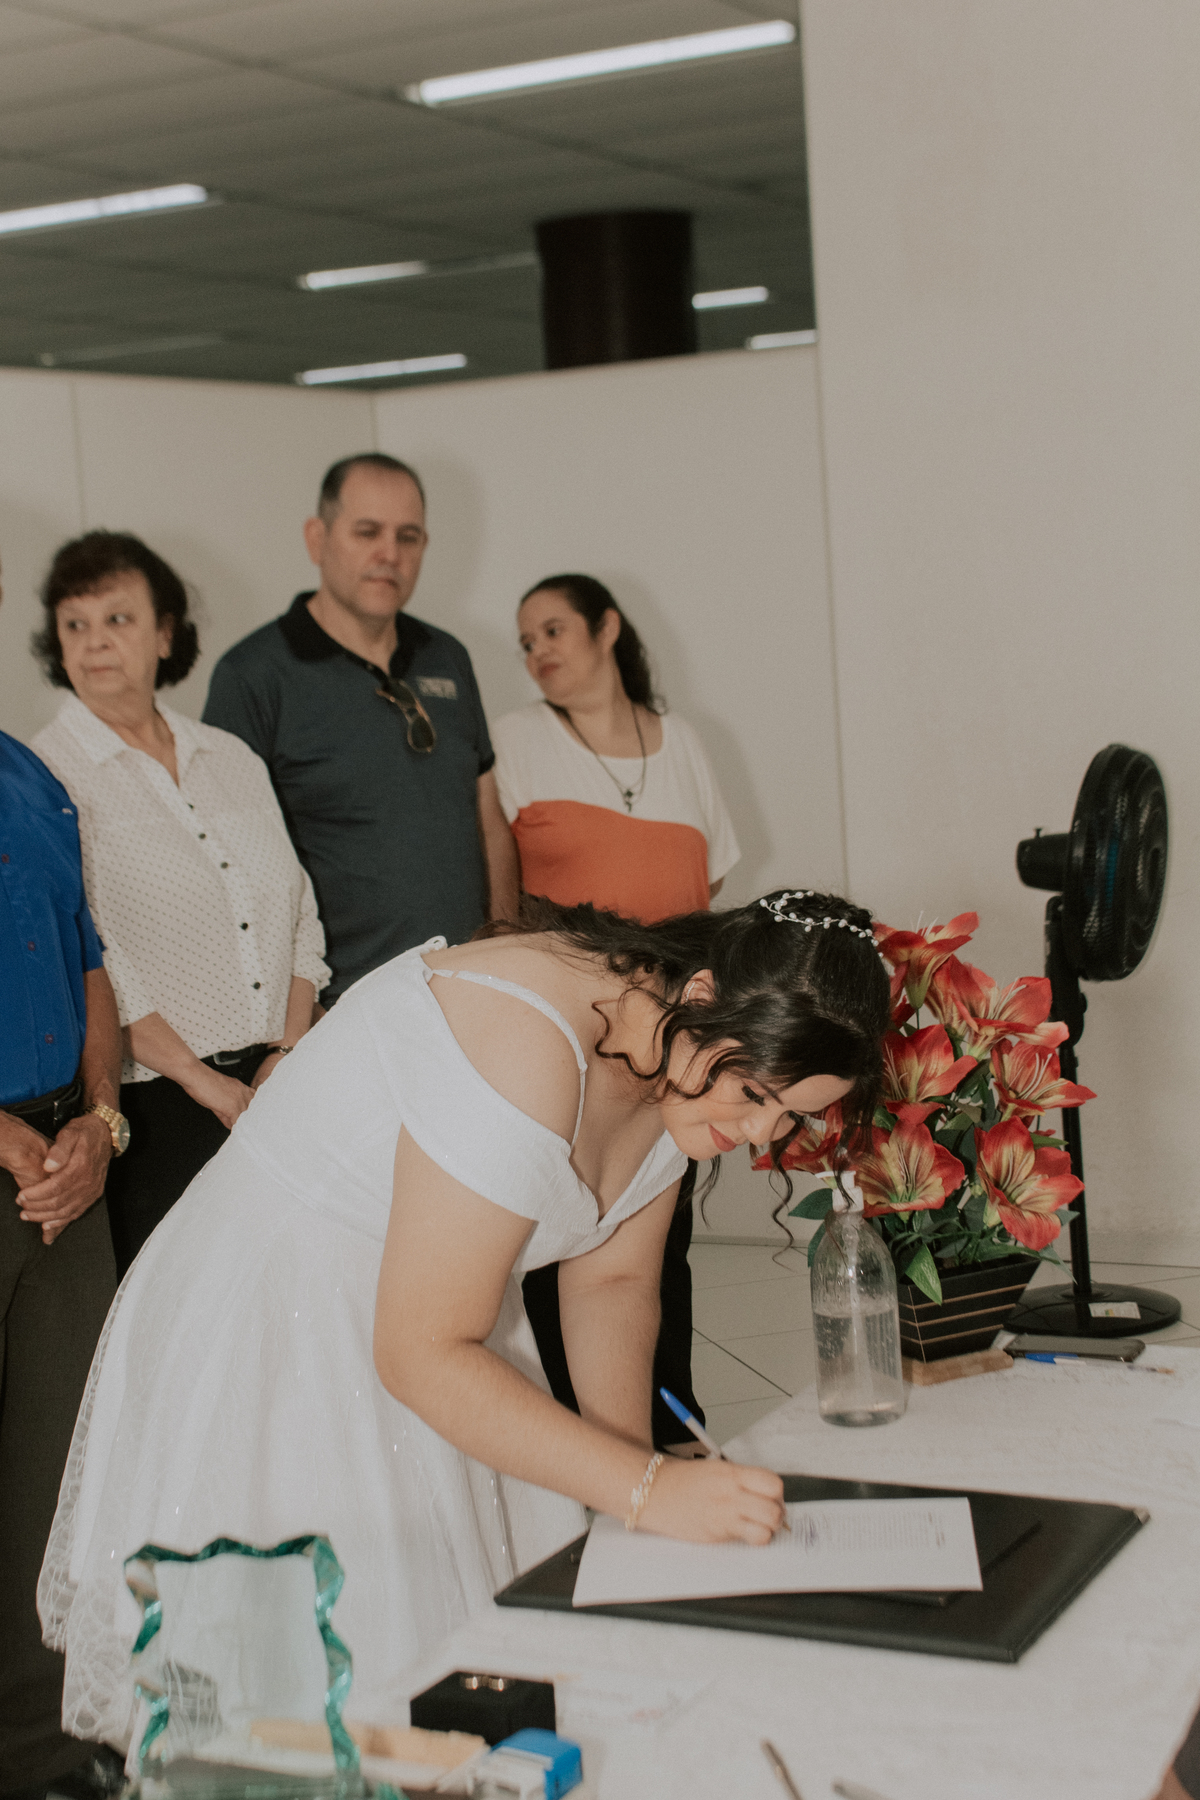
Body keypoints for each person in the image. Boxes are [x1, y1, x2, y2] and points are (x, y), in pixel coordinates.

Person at [39, 891, 889, 1752]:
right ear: (703, 994)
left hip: (449, 1313)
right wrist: (648, 1488)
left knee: (460, 1680)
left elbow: (614, 1282)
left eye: (791, 1115)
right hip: (286, 1323)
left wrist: (629, 1491)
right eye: (754, 1094)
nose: (760, 1133)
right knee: (313, 1701)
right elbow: (418, 1354)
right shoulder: (528, 1035)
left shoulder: (679, 1047)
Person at [31, 531, 329, 1279]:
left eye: (118, 618)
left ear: (165, 633)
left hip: (281, 1084)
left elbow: (298, 911)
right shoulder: (46, 773)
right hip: (157, 1105)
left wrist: (287, 1057)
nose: (95, 641)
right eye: (75, 624)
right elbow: (92, 952)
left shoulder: (231, 756)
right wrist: (206, 1084)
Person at [495, 574, 741, 1450]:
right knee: (557, 1231)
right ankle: (574, 1433)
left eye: (554, 630)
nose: (538, 652)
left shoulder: (684, 743)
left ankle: (669, 1423)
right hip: (570, 1036)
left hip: (676, 1033)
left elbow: (709, 877)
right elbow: (497, 885)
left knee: (659, 1236)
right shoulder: (515, 740)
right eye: (526, 641)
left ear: (607, 629)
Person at [202, 452, 519, 1003]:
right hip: (340, 1005)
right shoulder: (253, 675)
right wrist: (295, 1018)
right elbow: (227, 866)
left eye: (408, 537)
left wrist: (508, 957)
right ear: (317, 538)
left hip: (469, 990)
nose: (389, 554)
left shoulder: (448, 657)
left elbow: (488, 822)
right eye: (367, 532)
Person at [0, 555, 125, 1800]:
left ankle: (42, 1758)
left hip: (62, 1168)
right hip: (6, 1150)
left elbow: (89, 962)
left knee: (54, 1480)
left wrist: (98, 1122)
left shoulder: (27, 773)